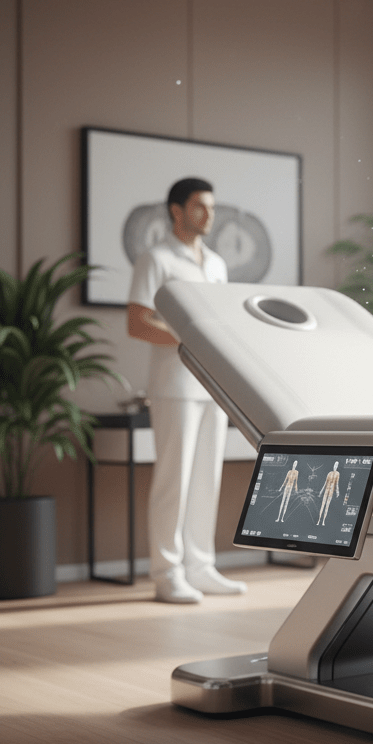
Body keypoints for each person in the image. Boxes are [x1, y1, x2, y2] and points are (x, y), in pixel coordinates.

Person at [127, 178, 247, 604]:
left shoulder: (216, 264)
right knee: (173, 481)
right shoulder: (155, 259)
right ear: (176, 211)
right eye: (200, 206)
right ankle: (166, 573)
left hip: (212, 386)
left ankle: (201, 565)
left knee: (205, 481)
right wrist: (189, 340)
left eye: (212, 207)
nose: (209, 215)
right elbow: (139, 322)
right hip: (174, 386)